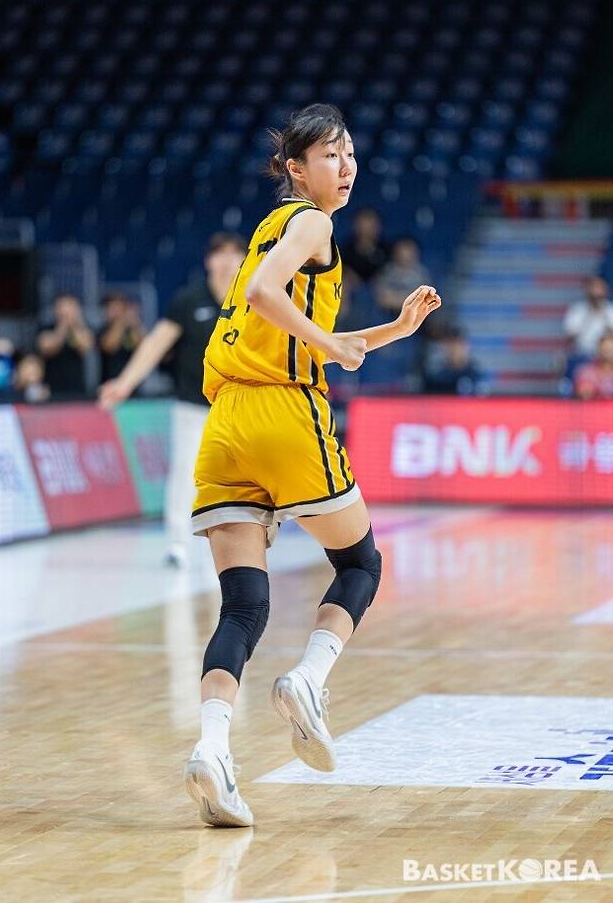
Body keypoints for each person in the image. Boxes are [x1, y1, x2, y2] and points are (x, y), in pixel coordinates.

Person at [182, 103, 441, 828]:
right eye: (331, 155)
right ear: (295, 170)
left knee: (242, 606)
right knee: (360, 563)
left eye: (350, 152)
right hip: (284, 416)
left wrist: (391, 330)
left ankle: (211, 749)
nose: (347, 165)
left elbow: (289, 327)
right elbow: (268, 300)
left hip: (226, 423)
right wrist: (330, 346)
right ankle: (308, 678)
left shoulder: (270, 230)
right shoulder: (312, 222)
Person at [98, 232, 247, 566]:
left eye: (234, 254)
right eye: (220, 254)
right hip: (192, 405)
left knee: (239, 480)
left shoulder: (254, 298)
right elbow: (156, 343)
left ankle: (232, 544)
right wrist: (124, 383)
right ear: (208, 261)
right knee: (185, 473)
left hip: (239, 406)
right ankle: (178, 542)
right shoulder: (189, 300)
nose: (227, 261)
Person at [37, 293, 94, 398]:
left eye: (70, 306)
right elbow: (47, 348)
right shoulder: (46, 328)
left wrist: (75, 325)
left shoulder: (82, 329)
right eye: (62, 306)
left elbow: (85, 347)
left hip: (77, 388)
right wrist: (63, 327)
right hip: (51, 388)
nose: (66, 310)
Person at [374, 234, 431, 316]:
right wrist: (408, 299)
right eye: (402, 250)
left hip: (415, 317)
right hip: (388, 315)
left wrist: (396, 298)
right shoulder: (386, 271)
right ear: (395, 252)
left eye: (409, 251)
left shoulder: (422, 273)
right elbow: (383, 300)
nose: (405, 255)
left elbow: (424, 301)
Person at [97, 292, 146, 384]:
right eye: (112, 308)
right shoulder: (103, 329)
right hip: (109, 382)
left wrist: (136, 324)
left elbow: (144, 348)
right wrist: (121, 322)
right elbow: (109, 346)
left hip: (133, 383)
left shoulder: (131, 330)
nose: (116, 312)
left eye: (119, 308)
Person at [563, 276, 613, 359]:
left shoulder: (610, 310)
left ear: (605, 291)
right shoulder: (577, 309)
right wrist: (589, 315)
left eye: (599, 289)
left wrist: (603, 314)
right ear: (587, 290)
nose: (596, 292)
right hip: (582, 354)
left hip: (606, 356)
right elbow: (570, 336)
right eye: (593, 288)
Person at [423, 329, 482, 395]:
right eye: (450, 345)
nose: (455, 350)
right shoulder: (436, 378)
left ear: (466, 346)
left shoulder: (475, 375)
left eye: (459, 344)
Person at [341, 207, 387, 283]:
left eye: (372, 226)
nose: (367, 230)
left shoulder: (387, 251)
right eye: (363, 225)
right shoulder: (344, 251)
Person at [574, 331, 613, 399]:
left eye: (610, 350)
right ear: (599, 350)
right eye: (605, 350)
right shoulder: (586, 372)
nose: (607, 354)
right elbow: (584, 393)